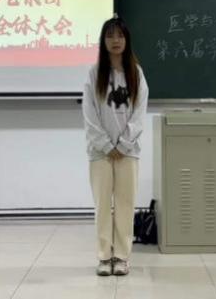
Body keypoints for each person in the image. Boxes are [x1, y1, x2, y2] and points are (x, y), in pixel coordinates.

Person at [82, 16, 149, 276]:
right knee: (102, 206)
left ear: (127, 40)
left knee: (125, 204)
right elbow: (89, 115)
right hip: (99, 153)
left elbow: (139, 113)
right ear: (103, 41)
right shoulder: (94, 74)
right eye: (110, 36)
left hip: (128, 153)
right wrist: (105, 144)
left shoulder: (136, 73)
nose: (115, 40)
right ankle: (103, 257)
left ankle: (121, 256)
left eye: (120, 35)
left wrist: (122, 144)